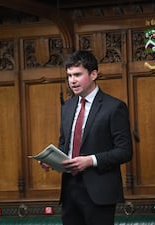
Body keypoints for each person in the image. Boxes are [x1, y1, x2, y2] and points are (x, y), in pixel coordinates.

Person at [40, 50, 133, 225]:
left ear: (93, 74)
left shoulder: (114, 107)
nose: (72, 81)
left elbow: (125, 151)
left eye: (77, 75)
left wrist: (90, 160)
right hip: (69, 190)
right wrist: (51, 160)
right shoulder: (67, 107)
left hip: (99, 192)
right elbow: (64, 146)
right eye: (69, 76)